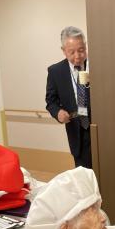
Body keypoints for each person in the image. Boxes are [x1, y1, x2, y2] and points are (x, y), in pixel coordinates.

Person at [45, 26, 92, 168]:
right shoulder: (55, 71)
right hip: (77, 130)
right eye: (72, 52)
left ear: (85, 45)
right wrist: (58, 112)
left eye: (81, 50)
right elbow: (51, 101)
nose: (77, 56)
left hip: (100, 127)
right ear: (63, 50)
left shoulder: (96, 65)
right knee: (83, 174)